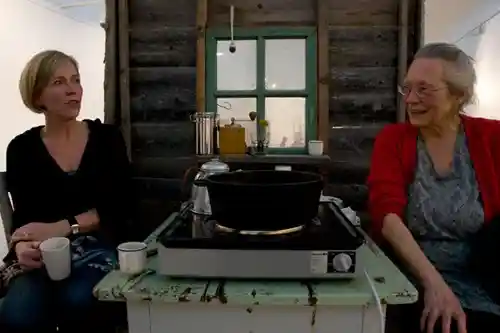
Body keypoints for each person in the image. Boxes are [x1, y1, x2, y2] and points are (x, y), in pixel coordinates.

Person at [367, 43, 500, 333]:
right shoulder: (394, 140)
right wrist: (435, 285)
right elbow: (387, 217)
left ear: (458, 95)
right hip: (411, 280)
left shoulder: (492, 138)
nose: (411, 99)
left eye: (425, 89)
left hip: (483, 283)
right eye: (408, 88)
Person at [0, 50, 132, 333]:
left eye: (76, 80)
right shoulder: (21, 149)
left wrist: (65, 226)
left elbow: (120, 207)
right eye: (59, 82)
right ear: (37, 97)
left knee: (80, 301)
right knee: (17, 313)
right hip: (42, 256)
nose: (73, 90)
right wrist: (22, 246)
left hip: (99, 248)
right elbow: (25, 219)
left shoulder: (107, 139)